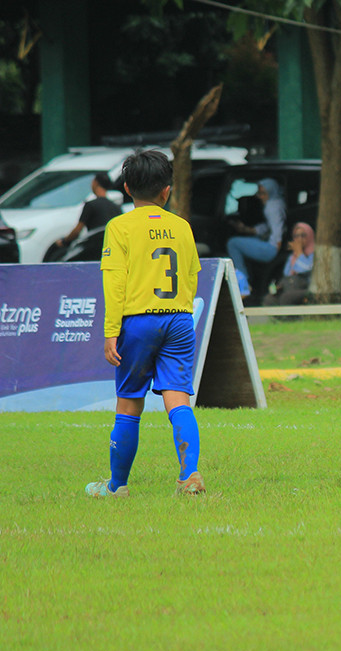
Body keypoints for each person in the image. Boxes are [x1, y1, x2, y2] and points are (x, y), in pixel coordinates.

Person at [87, 149, 205, 497]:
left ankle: (117, 486)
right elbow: (192, 276)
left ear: (126, 188)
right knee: (179, 400)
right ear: (166, 190)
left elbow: (115, 282)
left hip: (138, 323)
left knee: (128, 404)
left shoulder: (119, 227)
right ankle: (189, 475)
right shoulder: (181, 226)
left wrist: (111, 332)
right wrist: (182, 313)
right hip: (180, 320)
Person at [226, 178, 286, 297]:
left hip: (271, 248)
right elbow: (268, 227)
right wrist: (248, 230)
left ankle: (243, 283)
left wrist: (277, 246)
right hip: (268, 243)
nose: (259, 196)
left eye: (263, 193)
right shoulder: (277, 203)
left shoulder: (272, 206)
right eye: (259, 193)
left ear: (271, 192)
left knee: (232, 243)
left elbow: (277, 228)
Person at [54, 172, 121, 249]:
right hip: (112, 248)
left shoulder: (90, 205)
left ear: (95, 183)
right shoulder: (116, 207)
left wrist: (64, 241)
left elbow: (77, 230)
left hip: (95, 247)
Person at [263, 222, 314, 306]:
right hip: (290, 288)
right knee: (269, 299)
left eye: (303, 235)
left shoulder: (313, 254)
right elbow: (287, 274)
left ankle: (290, 319)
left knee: (287, 298)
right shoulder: (292, 257)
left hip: (306, 288)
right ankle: (278, 319)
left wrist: (300, 253)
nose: (299, 239)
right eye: (296, 236)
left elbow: (307, 269)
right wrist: (278, 287)